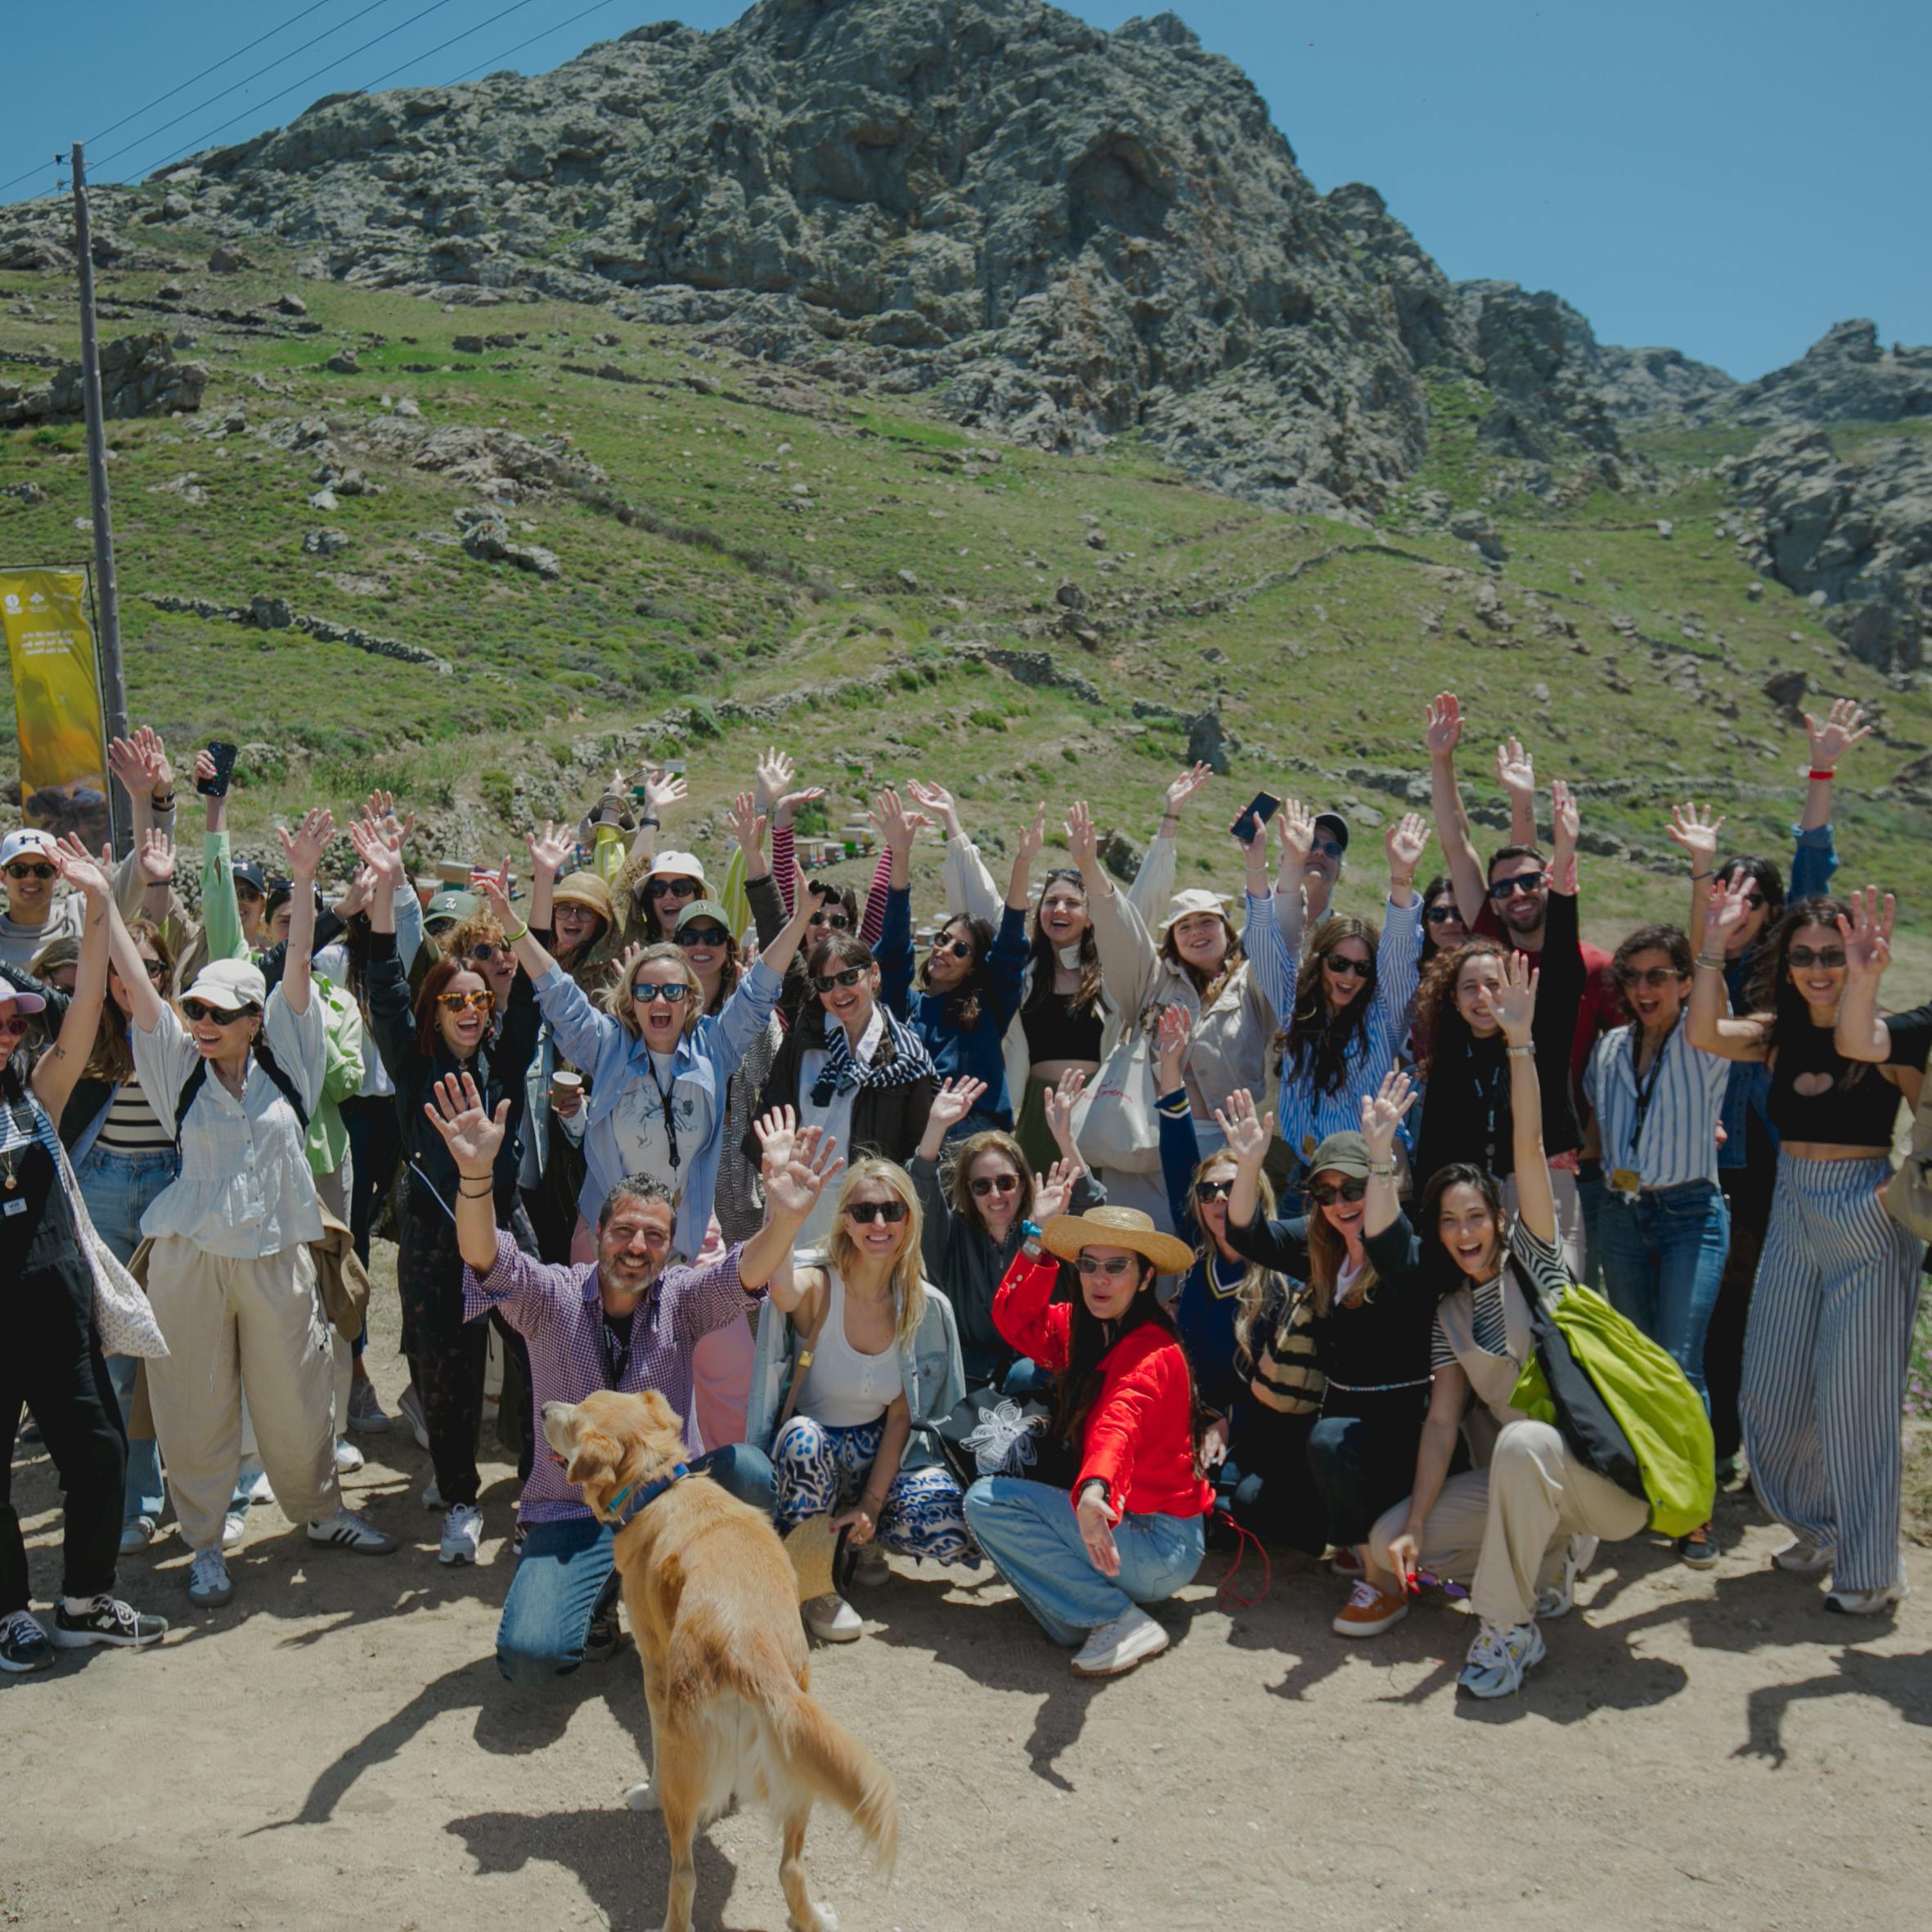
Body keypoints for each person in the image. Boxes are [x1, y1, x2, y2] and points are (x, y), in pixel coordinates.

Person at [424, 1072, 820, 1686]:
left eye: (655, 1236)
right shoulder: (551, 1297)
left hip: (665, 1503)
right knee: (532, 1658)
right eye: (624, 1231)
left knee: (747, 1471)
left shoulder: (682, 1301)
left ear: (671, 1249)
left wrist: (786, 1220)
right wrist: (476, 1178)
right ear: (599, 1235)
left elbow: (745, 1272)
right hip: (570, 1510)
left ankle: (704, 1596)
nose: (637, 1246)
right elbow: (486, 1257)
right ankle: (604, 1597)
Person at [114, 808, 398, 1612]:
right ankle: (205, 1543)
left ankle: (321, 1513)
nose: (200, 1023)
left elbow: (299, 959)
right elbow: (140, 990)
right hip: (190, 1260)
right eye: (195, 1011)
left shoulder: (291, 1064)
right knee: (193, 1402)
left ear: (252, 1019)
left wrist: (303, 879)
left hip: (277, 1254)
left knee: (298, 1396)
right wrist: (106, 898)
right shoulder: (179, 1069)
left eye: (217, 1014)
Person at [1367, 952, 1651, 1698]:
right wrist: (1416, 1521)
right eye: (1449, 1222)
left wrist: (1522, 1044)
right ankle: (1547, 1564)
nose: (1464, 1234)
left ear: (1500, 1219)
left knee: (1522, 1444)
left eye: (1476, 1218)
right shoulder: (1451, 1313)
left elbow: (1528, 1145)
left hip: (1600, 1485)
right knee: (1386, 1540)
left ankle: (1506, 1628)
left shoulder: (1540, 1264)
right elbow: (1441, 1424)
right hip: (1530, 1483)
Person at [1689, 881, 1924, 1615]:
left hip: (1867, 1219)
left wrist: (1892, 1195)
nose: (1818, 968)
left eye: (1832, 955)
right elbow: (1704, 1033)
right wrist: (1712, 945)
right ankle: (1819, 1528)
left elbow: (1920, 1121)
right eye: (1803, 956)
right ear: (1784, 964)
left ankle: (1872, 1568)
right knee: (1771, 1386)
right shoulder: (1777, 1034)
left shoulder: (1889, 1039)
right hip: (1793, 1209)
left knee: (1857, 1405)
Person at [1663, 699, 1861, 1480]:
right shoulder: (1706, 967)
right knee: (1719, 1308)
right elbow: (1698, 945)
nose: (1731, 907)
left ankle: (1784, 1452)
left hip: (1782, 1163)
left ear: (1774, 914)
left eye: (1748, 898)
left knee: (1779, 1310)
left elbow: (1813, 871)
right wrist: (1702, 877)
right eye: (1723, 893)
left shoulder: (1788, 970)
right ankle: (1719, 1447)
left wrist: (1821, 773)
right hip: (1712, 1162)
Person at [482, 853, 819, 1271]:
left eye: (672, 991)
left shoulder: (714, 1048)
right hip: (605, 1237)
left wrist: (800, 919)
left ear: (690, 1000)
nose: (659, 1001)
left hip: (685, 1243)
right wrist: (509, 920)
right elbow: (555, 989)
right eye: (646, 992)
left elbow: (760, 988)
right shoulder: (606, 1045)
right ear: (631, 1001)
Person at [1, 838, 169, 1672]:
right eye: (0, 1019)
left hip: (55, 1309)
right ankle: (9, 1613)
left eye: (15, 1020)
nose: (11, 1030)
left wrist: (101, 903)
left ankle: (83, 1601)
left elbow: (91, 1004)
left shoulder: (37, 1096)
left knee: (100, 1449)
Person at [353, 825, 541, 1565]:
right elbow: (383, 984)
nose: (470, 1009)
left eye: (479, 1000)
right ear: (434, 1010)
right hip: (434, 1230)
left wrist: (536, 890)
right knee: (444, 1371)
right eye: (454, 1000)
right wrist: (385, 886)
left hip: (505, 1222)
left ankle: (541, 1490)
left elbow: (531, 988)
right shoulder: (412, 1061)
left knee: (539, 1351)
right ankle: (460, 1500)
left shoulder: (508, 1054)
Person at [1220, 1076, 1440, 1632]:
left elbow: (1391, 1250)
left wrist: (1382, 1155)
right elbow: (1248, 1238)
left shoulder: (1407, 1249)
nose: (1340, 1204)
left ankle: (1384, 1585)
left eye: (1353, 1189)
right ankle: (1357, 1536)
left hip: (1400, 1433)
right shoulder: (1322, 1242)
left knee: (1328, 1442)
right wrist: (1248, 1166)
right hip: (1338, 1427)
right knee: (1252, 1500)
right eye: (1326, 1193)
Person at [964, 1199, 1212, 1678]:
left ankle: (1119, 1618)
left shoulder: (1153, 1351)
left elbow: (1119, 1423)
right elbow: (1013, 1319)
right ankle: (1093, 1613)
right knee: (993, 1502)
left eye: (1116, 1267)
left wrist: (1094, 1489)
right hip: (1128, 1529)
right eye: (1089, 1265)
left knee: (988, 1502)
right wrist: (1036, 1240)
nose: (1100, 1279)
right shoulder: (1085, 1328)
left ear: (1145, 1277)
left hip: (1160, 1545)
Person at [746, 1128, 971, 1642]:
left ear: (910, 1220)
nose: (879, 1223)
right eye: (865, 1211)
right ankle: (812, 1582)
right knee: (803, 1438)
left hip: (876, 1454)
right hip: (811, 1457)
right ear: (845, 1220)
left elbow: (901, 1415)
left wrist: (872, 1501)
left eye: (893, 1211)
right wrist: (784, 1213)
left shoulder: (924, 1306)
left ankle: (861, 1539)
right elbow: (779, 1288)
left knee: (946, 1520)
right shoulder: (819, 1284)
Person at [926, 766, 1203, 1175]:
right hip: (1033, 1110)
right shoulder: (1022, 970)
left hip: (1099, 1111)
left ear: (1091, 917)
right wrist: (952, 823)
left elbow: (1139, 905)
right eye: (1051, 902)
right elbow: (982, 903)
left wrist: (1170, 818)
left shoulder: (1112, 972)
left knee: (1091, 1206)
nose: (1060, 909)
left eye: (1072, 903)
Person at [1425, 699, 1611, 1270]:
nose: (1515, 895)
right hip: (1481, 1175)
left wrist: (1547, 831)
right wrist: (1441, 759)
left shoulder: (1575, 972)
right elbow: (1458, 844)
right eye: (1503, 890)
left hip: (1556, 1157)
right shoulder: (1487, 944)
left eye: (1531, 884)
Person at [1061, 797, 1284, 1228]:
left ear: (1227, 930)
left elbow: (1274, 937)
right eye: (1184, 926)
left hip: (1227, 1146)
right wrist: (1089, 867)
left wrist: (1260, 864)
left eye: (1207, 922)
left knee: (1218, 1244)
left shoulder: (1253, 982)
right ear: (1172, 940)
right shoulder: (1152, 980)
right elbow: (1121, 931)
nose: (1196, 932)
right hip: (1144, 1141)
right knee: (1138, 1243)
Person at [1584, 923, 1731, 1566]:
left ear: (1685, 983)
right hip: (1621, 1213)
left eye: (1659, 976)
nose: (1645, 989)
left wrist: (1710, 922)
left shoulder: (1704, 1041)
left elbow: (1713, 991)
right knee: (1639, 1362)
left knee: (1679, 1361)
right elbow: (1599, 1127)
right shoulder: (1610, 1048)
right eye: (1634, 977)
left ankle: (1694, 1510)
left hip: (1689, 1214)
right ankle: (1652, 1486)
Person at [1150, 1005, 1319, 1551]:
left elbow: (1286, 1391)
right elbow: (1178, 1155)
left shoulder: (1280, 1279)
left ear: (1253, 1196)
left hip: (1259, 1427)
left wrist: (1228, 1424)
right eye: (1209, 1191)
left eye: (1232, 1188)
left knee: (1242, 1507)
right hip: (1195, 1423)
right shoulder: (1199, 1257)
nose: (1219, 1199)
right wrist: (1171, 1073)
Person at [1242, 798, 1427, 1197]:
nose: (1349, 976)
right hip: (1302, 1176)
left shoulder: (1383, 1014)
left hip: (1366, 1177)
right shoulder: (1294, 1004)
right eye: (1339, 963)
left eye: (1362, 968)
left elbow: (1399, 953)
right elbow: (1262, 941)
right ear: (1320, 962)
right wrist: (1256, 862)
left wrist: (1401, 877)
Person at [745, 920, 939, 1255]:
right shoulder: (805, 1032)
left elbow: (913, 1146)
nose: (839, 993)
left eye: (849, 978)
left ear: (873, 974)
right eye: (825, 983)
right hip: (797, 1192)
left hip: (865, 1207)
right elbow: (776, 1104)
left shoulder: (906, 1058)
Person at [909, 1070, 1097, 1388]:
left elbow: (1091, 1210)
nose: (995, 1195)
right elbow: (921, 1189)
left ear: (1023, 1184)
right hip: (972, 1382)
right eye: (982, 1186)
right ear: (969, 1192)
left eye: (1006, 1182)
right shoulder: (952, 1237)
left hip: (1041, 1377)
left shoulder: (1049, 1226)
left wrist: (1065, 1138)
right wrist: (936, 1127)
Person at [876, 790, 1032, 1134]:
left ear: (975, 966)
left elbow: (1009, 948)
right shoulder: (906, 1007)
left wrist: (1022, 864)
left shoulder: (988, 1008)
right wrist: (900, 854)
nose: (945, 950)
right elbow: (894, 950)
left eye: (960, 949)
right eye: (942, 939)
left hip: (976, 1142)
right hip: (915, 1143)